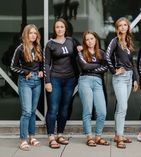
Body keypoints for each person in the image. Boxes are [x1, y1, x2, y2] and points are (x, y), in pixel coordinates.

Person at [44, 18, 78, 149]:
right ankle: (51, 136)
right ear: (54, 29)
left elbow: (78, 53)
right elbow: (46, 64)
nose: (59, 29)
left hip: (69, 80)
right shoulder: (50, 44)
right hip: (55, 79)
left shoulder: (71, 41)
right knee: (53, 108)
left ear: (65, 29)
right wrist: (48, 81)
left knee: (64, 108)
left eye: (62, 27)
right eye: (57, 27)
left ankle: (60, 134)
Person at [106, 17, 139, 149]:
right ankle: (119, 136)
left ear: (128, 27)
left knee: (121, 108)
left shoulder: (129, 42)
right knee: (123, 107)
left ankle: (118, 134)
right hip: (120, 78)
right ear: (117, 28)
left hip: (129, 77)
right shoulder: (115, 41)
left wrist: (135, 79)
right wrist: (114, 71)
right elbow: (107, 56)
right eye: (120, 25)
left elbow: (132, 63)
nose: (123, 27)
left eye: (125, 25)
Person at [11, 24, 43, 151]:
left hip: (37, 82)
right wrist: (25, 72)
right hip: (25, 81)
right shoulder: (20, 48)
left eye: (35, 33)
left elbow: (41, 64)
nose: (33, 35)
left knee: (33, 111)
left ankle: (32, 136)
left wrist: (41, 71)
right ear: (26, 34)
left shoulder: (38, 48)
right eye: (31, 33)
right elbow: (13, 66)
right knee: (26, 111)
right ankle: (23, 140)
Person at [77, 31, 109, 147]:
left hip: (98, 82)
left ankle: (98, 136)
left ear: (96, 40)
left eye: (92, 39)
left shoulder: (101, 53)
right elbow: (84, 67)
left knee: (102, 112)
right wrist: (97, 65)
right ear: (84, 42)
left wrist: (92, 67)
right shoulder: (81, 52)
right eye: (87, 39)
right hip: (85, 81)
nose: (90, 41)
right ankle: (89, 136)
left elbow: (106, 67)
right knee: (88, 111)